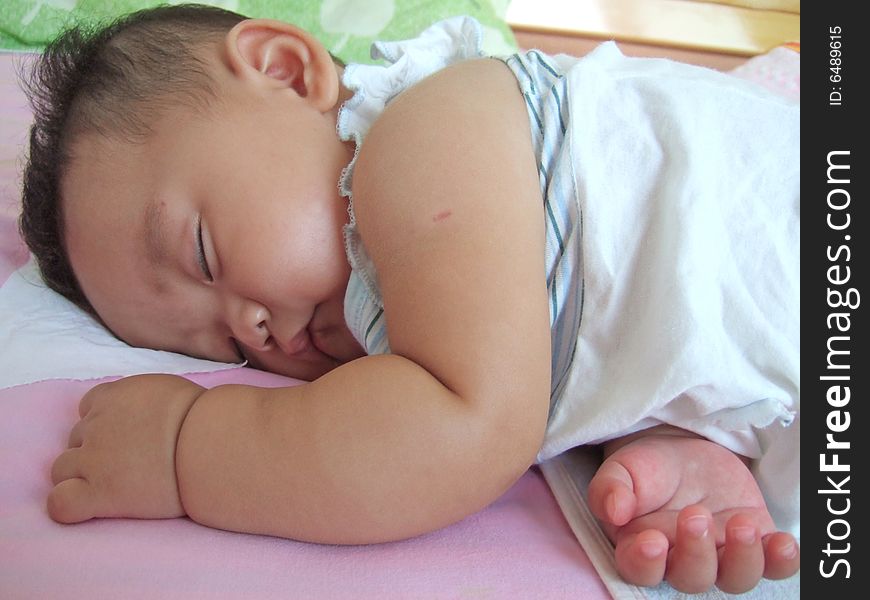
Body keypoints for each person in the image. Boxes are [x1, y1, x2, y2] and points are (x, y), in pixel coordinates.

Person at [19, 4, 800, 594]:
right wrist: (671, 447)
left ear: (287, 72)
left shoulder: (424, 135)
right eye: (221, 352)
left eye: (204, 253)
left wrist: (187, 449)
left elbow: (468, 425)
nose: (253, 331)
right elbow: (610, 330)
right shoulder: (458, 300)